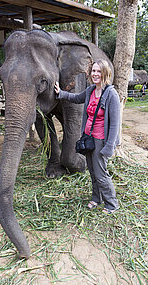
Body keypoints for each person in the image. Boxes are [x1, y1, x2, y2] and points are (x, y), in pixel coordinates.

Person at [54, 59, 120, 214]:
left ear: (105, 73)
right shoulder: (91, 90)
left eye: (98, 71)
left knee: (101, 173)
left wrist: (109, 146)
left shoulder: (111, 94)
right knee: (92, 171)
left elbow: (115, 124)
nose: (95, 74)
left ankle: (112, 204)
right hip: (88, 139)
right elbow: (77, 98)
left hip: (101, 140)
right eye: (93, 71)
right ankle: (97, 198)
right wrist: (61, 93)